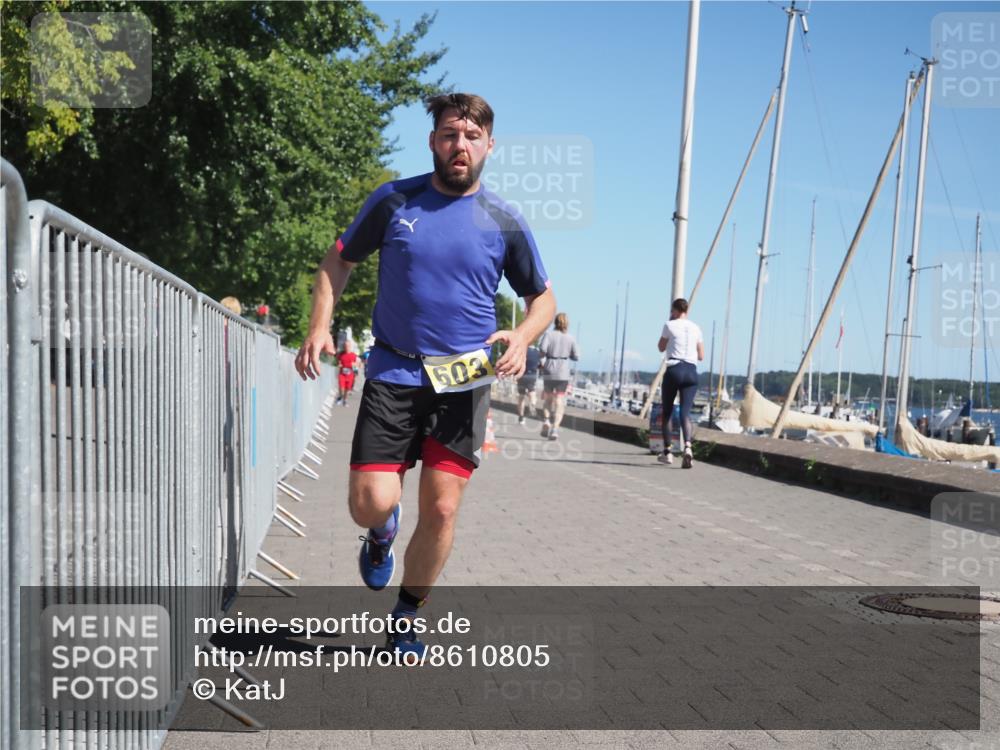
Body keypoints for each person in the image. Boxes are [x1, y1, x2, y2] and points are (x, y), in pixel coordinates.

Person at [294, 93, 555, 657]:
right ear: (433, 141)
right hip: (394, 370)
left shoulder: (504, 220)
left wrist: (522, 336)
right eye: (449, 135)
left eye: (471, 137)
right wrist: (319, 326)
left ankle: (407, 616)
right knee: (369, 502)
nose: (460, 146)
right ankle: (382, 530)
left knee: (441, 508)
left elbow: (543, 298)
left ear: (489, 145)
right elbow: (338, 259)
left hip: (464, 379)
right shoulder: (394, 199)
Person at [656, 298, 704, 468]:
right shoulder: (696, 328)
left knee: (668, 412)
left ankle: (667, 452)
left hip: (674, 370)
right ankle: (688, 448)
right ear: (687, 310)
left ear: (675, 310)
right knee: (685, 413)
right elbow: (701, 356)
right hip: (691, 372)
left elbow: (660, 347)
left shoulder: (669, 325)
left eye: (672, 311)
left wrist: (670, 328)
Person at [538, 313, 579, 441]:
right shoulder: (570, 338)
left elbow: (542, 350)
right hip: (563, 372)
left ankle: (546, 420)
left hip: (549, 370)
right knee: (559, 400)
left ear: (555, 322)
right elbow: (576, 356)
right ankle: (555, 428)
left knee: (548, 399)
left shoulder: (548, 335)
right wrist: (567, 354)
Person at [516, 345, 542, 424]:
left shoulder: (522, 350)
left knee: (521, 396)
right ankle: (532, 404)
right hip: (532, 376)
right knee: (532, 391)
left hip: (522, 375)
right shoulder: (537, 352)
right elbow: (540, 365)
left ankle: (521, 417)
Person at [336, 340, 359, 406]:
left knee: (347, 389)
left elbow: (356, 365)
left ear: (350, 346)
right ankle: (340, 397)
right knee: (341, 387)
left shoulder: (353, 355)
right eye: (345, 346)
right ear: (344, 346)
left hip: (350, 375)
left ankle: (345, 400)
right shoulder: (341, 354)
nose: (347, 347)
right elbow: (339, 362)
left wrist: (356, 373)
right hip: (342, 374)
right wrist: (339, 364)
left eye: (348, 346)